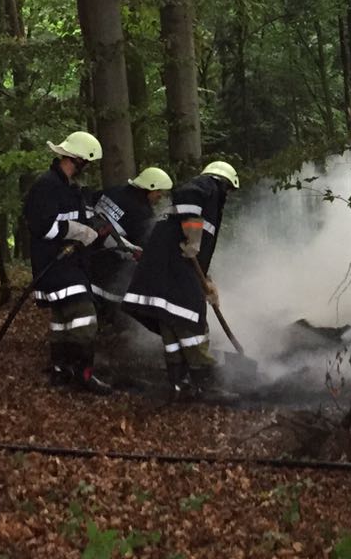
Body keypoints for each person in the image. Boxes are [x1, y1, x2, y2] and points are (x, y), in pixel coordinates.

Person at [123, 160, 239, 400]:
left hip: (166, 270)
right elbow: (188, 196)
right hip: (173, 270)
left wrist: (207, 282)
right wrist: (193, 235)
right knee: (191, 320)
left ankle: (179, 383)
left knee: (171, 320)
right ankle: (206, 386)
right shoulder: (207, 186)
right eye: (228, 189)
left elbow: (195, 251)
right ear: (223, 183)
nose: (227, 195)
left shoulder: (204, 202)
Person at [21, 130, 110, 394]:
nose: (88, 167)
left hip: (67, 265)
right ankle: (83, 373)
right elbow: (42, 226)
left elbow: (75, 219)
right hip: (56, 265)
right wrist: (79, 231)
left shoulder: (68, 187)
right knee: (85, 318)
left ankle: (61, 370)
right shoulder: (47, 186)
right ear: (78, 159)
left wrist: (91, 230)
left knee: (62, 320)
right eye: (87, 162)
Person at [87, 166, 172, 326]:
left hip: (84, 259)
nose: (160, 196)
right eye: (159, 191)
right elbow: (146, 247)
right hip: (107, 273)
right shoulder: (142, 213)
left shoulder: (113, 191)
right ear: (149, 188)